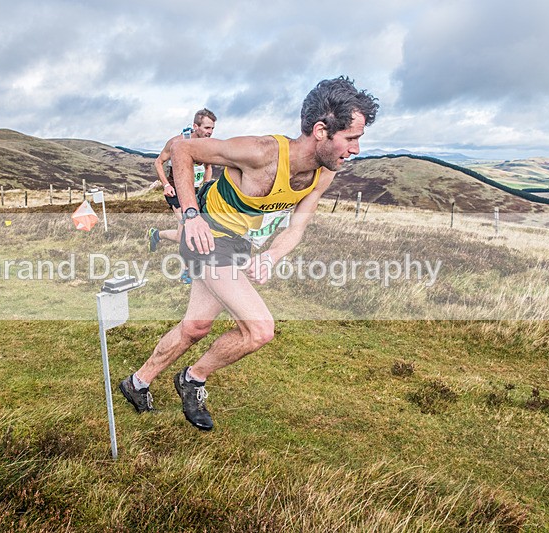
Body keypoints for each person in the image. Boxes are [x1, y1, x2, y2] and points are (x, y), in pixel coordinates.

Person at [120, 76, 378, 430]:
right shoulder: (260, 153)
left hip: (239, 244)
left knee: (196, 327)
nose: (356, 149)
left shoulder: (323, 175)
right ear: (321, 131)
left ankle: (137, 383)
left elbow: (296, 228)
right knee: (259, 329)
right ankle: (192, 379)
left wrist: (271, 256)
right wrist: (191, 216)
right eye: (351, 138)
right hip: (207, 236)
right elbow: (183, 150)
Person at [148, 109, 216, 283]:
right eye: (207, 128)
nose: (210, 132)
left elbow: (208, 167)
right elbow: (158, 162)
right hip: (176, 191)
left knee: (180, 236)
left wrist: (205, 187)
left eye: (212, 129)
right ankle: (188, 270)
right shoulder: (177, 142)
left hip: (194, 193)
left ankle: (156, 235)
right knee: (189, 229)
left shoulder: (207, 145)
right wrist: (166, 184)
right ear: (195, 126)